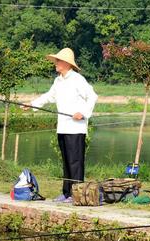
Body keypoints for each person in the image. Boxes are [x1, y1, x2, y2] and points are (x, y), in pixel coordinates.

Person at [27, 48, 98, 203]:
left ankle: (76, 194)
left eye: (58, 61)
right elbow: (49, 96)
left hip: (76, 128)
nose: (55, 64)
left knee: (75, 161)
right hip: (63, 127)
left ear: (66, 63)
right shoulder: (58, 80)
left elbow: (92, 96)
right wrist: (32, 104)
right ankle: (66, 193)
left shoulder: (77, 79)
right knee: (66, 161)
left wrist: (83, 113)